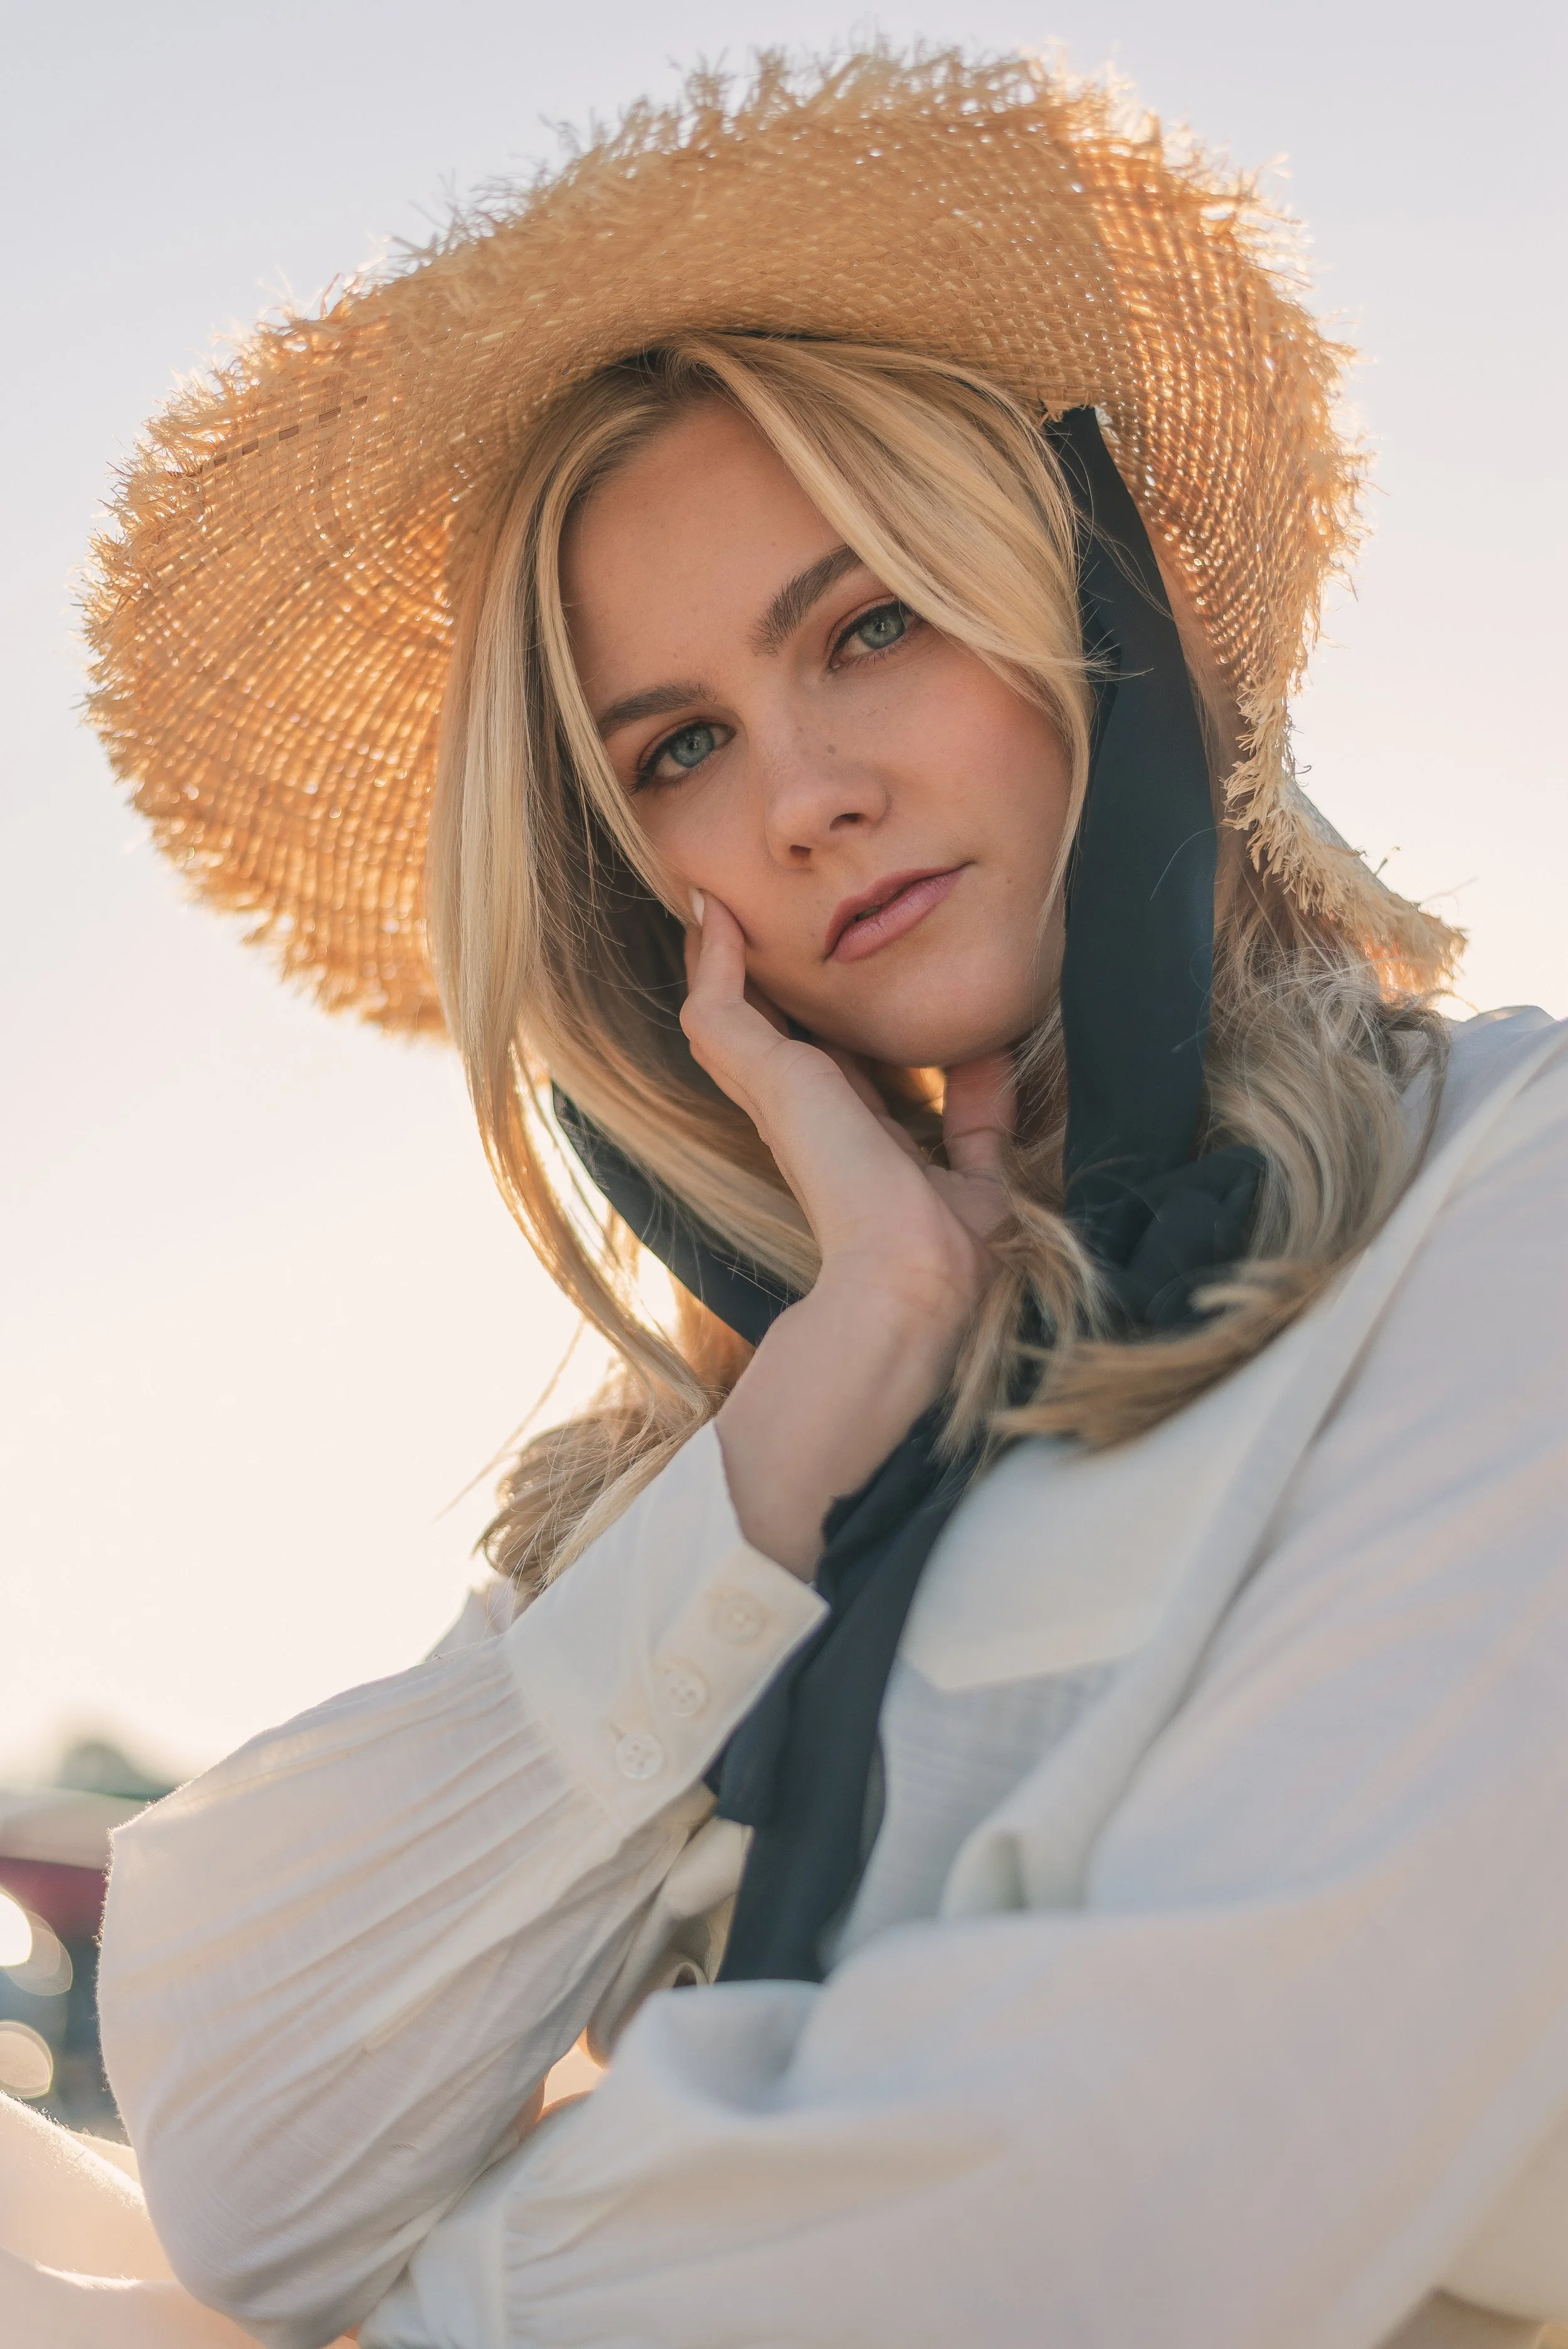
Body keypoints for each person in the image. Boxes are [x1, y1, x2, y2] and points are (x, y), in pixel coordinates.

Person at [8, 46, 1566, 2349]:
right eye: (682, 748)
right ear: (639, 890)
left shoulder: (1493, 1203)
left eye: (868, 627)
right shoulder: (741, 1453)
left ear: (1092, 622)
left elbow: (1128, 2155)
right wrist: (801, 1421)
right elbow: (253, 2170)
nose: (809, 794)